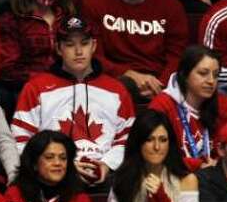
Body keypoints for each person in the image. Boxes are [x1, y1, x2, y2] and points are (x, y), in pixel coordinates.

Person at [12, 15, 135, 182]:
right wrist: (61, 166)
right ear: (58, 49)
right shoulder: (35, 88)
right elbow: (20, 139)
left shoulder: (117, 90)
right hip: (53, 177)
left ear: (94, 46)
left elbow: (128, 138)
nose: (78, 52)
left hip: (109, 175)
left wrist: (107, 165)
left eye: (84, 43)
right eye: (70, 45)